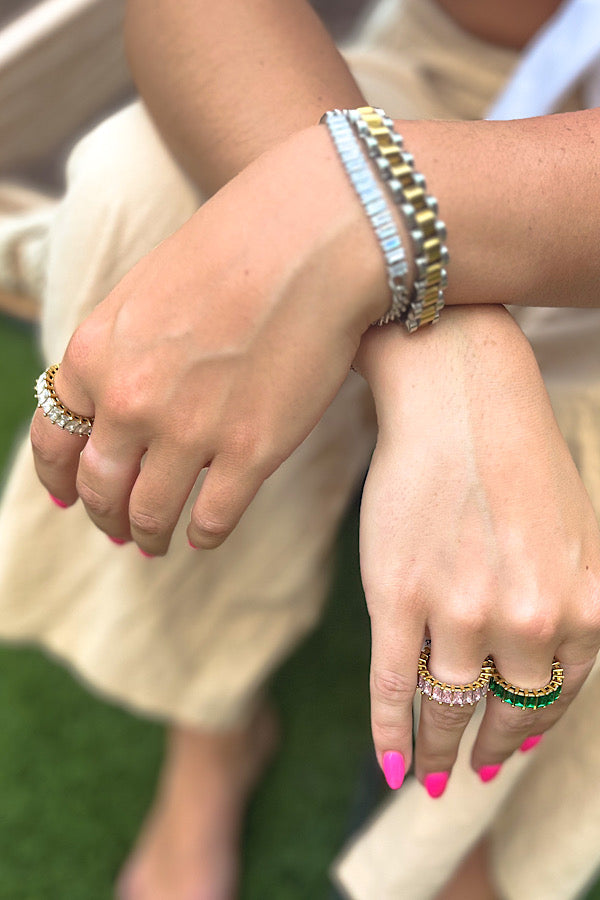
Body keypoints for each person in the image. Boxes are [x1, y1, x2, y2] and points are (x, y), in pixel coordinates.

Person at [2, 0, 600, 897]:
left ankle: (471, 826)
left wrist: (362, 222)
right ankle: (207, 721)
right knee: (148, 187)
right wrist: (445, 349)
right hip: (455, 81)